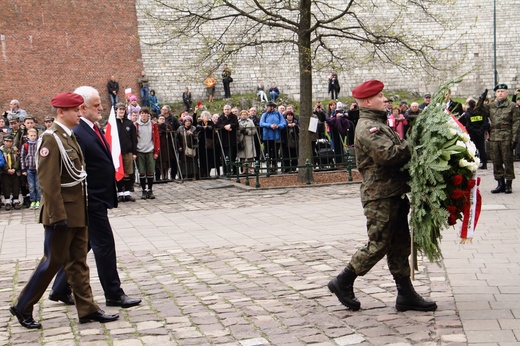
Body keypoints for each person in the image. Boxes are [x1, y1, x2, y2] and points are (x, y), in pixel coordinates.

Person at [9, 92, 119, 329]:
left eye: (80, 109)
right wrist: (57, 215)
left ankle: (87, 309)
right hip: (62, 214)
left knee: (78, 262)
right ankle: (23, 306)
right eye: (75, 110)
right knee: (53, 261)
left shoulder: (68, 137)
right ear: (62, 112)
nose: (80, 114)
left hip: (78, 210)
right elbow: (48, 182)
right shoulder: (51, 139)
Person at [328, 79, 437, 312]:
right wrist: (415, 143)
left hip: (393, 192)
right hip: (379, 195)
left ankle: (405, 294)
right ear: (367, 101)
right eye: (380, 96)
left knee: (399, 244)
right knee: (378, 243)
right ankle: (343, 280)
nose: (385, 99)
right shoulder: (368, 127)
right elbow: (388, 155)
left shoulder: (379, 123)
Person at [50, 86, 142, 310]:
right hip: (90, 200)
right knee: (105, 246)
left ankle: (60, 288)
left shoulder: (92, 128)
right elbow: (76, 170)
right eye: (96, 105)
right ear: (82, 108)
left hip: (99, 196)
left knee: (86, 245)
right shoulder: (79, 132)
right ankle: (113, 293)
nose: (101, 108)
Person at [476, 84, 520, 193]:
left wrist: (515, 139)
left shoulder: (512, 106)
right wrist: (481, 99)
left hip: (506, 136)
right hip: (494, 136)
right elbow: (478, 110)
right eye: (498, 91)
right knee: (496, 161)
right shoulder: (492, 106)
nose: (500, 93)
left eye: (502, 91)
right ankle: (500, 183)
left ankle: (508, 184)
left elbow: (516, 123)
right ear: (495, 93)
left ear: (507, 93)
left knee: (508, 160)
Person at [135, 107, 160, 199]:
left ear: (148, 115)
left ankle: (150, 189)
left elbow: (156, 138)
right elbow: (134, 139)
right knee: (142, 172)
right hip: (139, 151)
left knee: (150, 171)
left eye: (146, 113)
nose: (144, 115)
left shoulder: (153, 125)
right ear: (140, 114)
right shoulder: (136, 124)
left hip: (150, 150)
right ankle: (143, 190)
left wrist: (156, 151)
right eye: (142, 113)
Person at [114, 103, 137, 201]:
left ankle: (127, 193)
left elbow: (134, 139)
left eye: (123, 109)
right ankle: (120, 193)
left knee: (127, 172)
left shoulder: (129, 123)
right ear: (116, 110)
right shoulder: (113, 122)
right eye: (120, 109)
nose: (121, 111)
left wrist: (134, 152)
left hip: (128, 152)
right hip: (117, 153)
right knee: (119, 172)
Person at [460, 99, 489, 170]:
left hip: (472, 134)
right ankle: (484, 163)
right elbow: (485, 123)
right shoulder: (480, 113)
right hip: (480, 133)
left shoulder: (467, 114)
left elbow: (466, 125)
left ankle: (474, 163)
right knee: (482, 148)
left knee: (472, 149)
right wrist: (480, 130)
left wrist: (474, 130)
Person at [260, 101, 286, 173]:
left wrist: (278, 126)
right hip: (267, 137)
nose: (267, 108)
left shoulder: (278, 114)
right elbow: (261, 123)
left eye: (268, 106)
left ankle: (274, 165)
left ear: (272, 107)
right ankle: (268, 165)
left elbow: (283, 123)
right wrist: (270, 125)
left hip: (276, 136)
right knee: (267, 151)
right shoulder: (264, 115)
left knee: (275, 152)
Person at [20, 128, 41, 209]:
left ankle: (38, 200)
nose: (33, 137)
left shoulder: (39, 144)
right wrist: (23, 169)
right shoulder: (25, 145)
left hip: (37, 169)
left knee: (38, 186)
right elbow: (22, 157)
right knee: (31, 186)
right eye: (31, 136)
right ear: (28, 136)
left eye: (34, 135)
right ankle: (32, 201)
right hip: (29, 168)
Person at [215, 104, 238, 175]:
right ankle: (226, 172)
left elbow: (236, 124)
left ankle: (234, 172)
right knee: (225, 157)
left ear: (230, 110)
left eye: (228, 109)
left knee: (233, 156)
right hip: (224, 140)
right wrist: (224, 127)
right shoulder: (221, 117)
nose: (226, 111)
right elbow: (217, 125)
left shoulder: (234, 117)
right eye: (225, 109)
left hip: (232, 139)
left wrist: (230, 125)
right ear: (223, 110)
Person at [1, 135, 21, 210]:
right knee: (6, 186)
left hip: (15, 171)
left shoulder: (15, 149)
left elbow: (18, 159)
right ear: (3, 142)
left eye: (10, 142)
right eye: (7, 141)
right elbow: (2, 160)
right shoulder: (2, 150)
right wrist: (7, 169)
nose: (9, 143)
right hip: (5, 172)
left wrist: (15, 168)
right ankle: (7, 201)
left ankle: (16, 200)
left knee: (16, 185)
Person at [237, 109, 256, 173]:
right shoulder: (238, 122)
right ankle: (244, 170)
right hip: (241, 140)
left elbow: (254, 131)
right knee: (242, 156)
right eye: (242, 114)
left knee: (250, 156)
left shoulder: (250, 122)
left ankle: (250, 169)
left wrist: (247, 132)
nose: (244, 116)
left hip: (249, 140)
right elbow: (236, 132)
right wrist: (240, 132)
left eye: (245, 114)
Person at [156, 114, 175, 180]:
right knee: (159, 161)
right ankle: (161, 174)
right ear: (158, 120)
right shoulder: (156, 126)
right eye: (160, 119)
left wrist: (167, 132)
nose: (162, 120)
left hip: (167, 145)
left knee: (167, 161)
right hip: (159, 146)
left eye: (163, 119)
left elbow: (172, 134)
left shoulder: (168, 126)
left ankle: (166, 174)